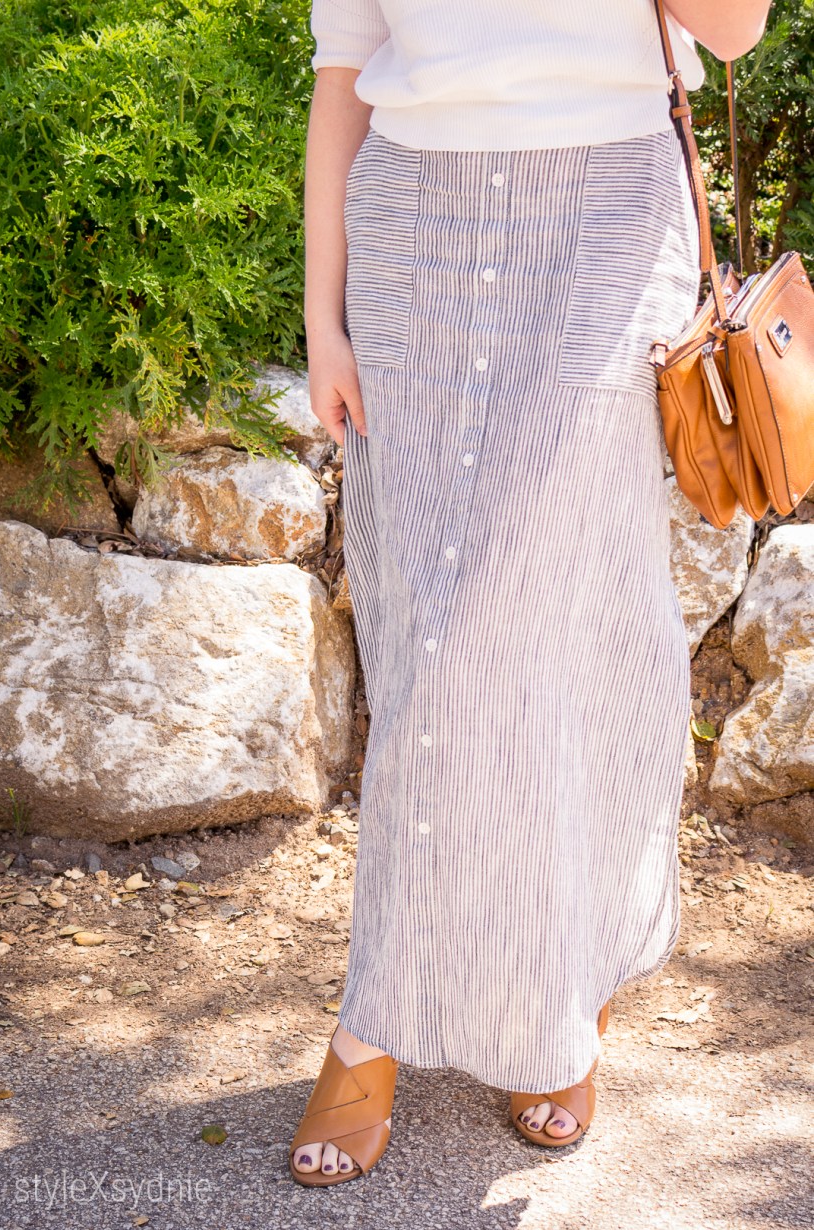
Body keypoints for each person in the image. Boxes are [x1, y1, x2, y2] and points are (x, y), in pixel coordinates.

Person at [292, 0, 773, 1187]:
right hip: (411, 230)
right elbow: (343, 75)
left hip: (603, 233)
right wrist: (322, 317)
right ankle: (432, 1012)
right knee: (426, 643)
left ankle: (531, 999)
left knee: (553, 626)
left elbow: (735, 32)